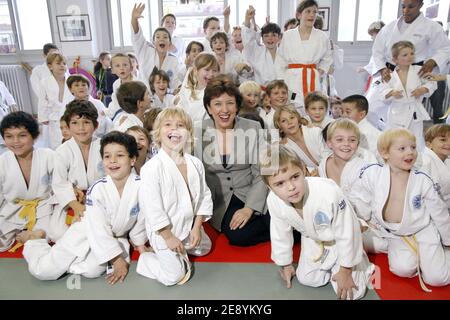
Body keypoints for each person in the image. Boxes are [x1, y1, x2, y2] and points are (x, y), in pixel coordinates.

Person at [20, 131, 147, 284]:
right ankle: (35, 241)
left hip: (116, 236)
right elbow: (98, 227)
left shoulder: (142, 186)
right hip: (86, 230)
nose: (113, 161)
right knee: (45, 271)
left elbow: (141, 220)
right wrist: (116, 259)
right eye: (107, 156)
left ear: (132, 159)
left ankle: (70, 262)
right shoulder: (98, 189)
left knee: (92, 270)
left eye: (120, 155)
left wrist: (139, 244)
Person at [261, 145, 375, 300]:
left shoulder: (328, 191)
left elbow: (348, 230)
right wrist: (285, 264)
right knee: (308, 279)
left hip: (342, 237)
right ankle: (333, 261)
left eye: (295, 177)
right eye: (279, 183)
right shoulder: (273, 200)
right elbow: (279, 232)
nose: (291, 187)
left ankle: (360, 261)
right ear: (269, 187)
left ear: (303, 169)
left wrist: (346, 269)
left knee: (352, 295)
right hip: (314, 238)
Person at [348, 128, 450, 290]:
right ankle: (424, 256)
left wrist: (448, 240)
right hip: (394, 233)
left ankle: (442, 252)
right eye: (402, 149)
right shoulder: (373, 174)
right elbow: (359, 198)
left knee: (437, 279)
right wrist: (362, 220)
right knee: (402, 269)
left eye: (413, 147)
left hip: (424, 229)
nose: (410, 152)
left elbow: (440, 214)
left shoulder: (423, 180)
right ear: (385, 153)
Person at [137, 108, 213, 286]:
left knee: (204, 248)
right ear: (158, 133)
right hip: (164, 231)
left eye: (181, 125)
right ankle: (146, 261)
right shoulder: (151, 168)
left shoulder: (195, 163)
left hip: (188, 226)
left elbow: (204, 196)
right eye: (168, 125)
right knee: (175, 277)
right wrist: (169, 237)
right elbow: (152, 208)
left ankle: (181, 248)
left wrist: (197, 227)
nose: (175, 130)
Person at [194, 75, 270, 247]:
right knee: (238, 236)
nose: (225, 110)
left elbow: (263, 172)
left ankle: (282, 227)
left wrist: (250, 208)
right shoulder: (197, 131)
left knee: (282, 217)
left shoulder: (254, 127)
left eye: (230, 103)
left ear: (237, 106)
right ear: (209, 107)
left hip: (252, 191)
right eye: (218, 104)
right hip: (221, 201)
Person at [0, 112, 62, 252]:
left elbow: (61, 183)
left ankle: (36, 234)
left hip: (42, 208)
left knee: (42, 238)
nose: (16, 141)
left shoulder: (48, 156)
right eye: (9, 136)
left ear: (34, 137)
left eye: (22, 135)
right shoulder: (2, 162)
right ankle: (22, 232)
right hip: (13, 210)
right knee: (2, 246)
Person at [52, 101, 104, 229]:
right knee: (57, 232)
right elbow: (60, 183)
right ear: (68, 126)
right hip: (73, 200)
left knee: (102, 228)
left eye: (86, 122)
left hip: (102, 198)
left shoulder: (104, 146)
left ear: (95, 125)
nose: (81, 128)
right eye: (74, 123)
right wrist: (77, 206)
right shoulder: (62, 151)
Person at [371, 0, 450, 84]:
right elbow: (377, 51)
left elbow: (445, 48)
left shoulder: (432, 27)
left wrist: (432, 62)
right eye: (403, 6)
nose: (405, 11)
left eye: (411, 7)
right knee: (377, 96)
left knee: (409, 96)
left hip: (414, 75)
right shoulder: (389, 27)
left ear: (420, 5)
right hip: (388, 74)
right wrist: (382, 69)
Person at [275, 0, 333, 109]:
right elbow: (280, 60)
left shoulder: (322, 36)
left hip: (312, 78)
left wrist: (319, 72)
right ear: (299, 15)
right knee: (292, 107)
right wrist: (281, 81)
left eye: (315, 12)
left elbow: (327, 58)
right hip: (292, 80)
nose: (312, 15)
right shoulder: (288, 36)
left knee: (313, 107)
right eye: (308, 11)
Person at [379, 41, 436, 151]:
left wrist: (423, 89)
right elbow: (382, 90)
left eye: (412, 53)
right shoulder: (389, 75)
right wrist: (391, 92)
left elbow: (432, 82)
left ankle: (417, 162)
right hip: (396, 111)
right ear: (395, 59)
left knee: (415, 138)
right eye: (405, 55)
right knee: (395, 138)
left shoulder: (420, 70)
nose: (410, 57)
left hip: (414, 111)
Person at [131, 3, 180, 90]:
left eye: (165, 37)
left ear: (169, 43)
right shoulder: (145, 51)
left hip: (165, 99)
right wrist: (134, 19)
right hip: (144, 96)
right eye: (158, 37)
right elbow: (137, 36)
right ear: (153, 42)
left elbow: (175, 83)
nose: (162, 39)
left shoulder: (173, 60)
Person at [318, 119, 376, 191]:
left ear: (357, 144)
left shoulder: (364, 170)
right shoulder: (323, 165)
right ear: (329, 143)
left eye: (352, 140)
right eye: (339, 139)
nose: (346, 144)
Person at [274, 104, 327, 175]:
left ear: (298, 120)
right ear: (280, 128)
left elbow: (329, 154)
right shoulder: (286, 149)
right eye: (284, 121)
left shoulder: (315, 131)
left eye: (292, 117)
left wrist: (320, 171)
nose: (289, 122)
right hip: (312, 179)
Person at [37, 53, 74, 150]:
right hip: (55, 119)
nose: (62, 65)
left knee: (73, 144)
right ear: (50, 66)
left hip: (71, 116)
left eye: (64, 63)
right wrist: (43, 116)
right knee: (57, 145)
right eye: (58, 63)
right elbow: (42, 101)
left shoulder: (72, 80)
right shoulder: (45, 82)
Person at [242, 6, 282, 87]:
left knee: (295, 97)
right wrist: (247, 19)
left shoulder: (285, 53)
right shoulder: (257, 51)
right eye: (266, 36)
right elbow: (248, 42)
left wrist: (293, 97)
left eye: (273, 35)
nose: (270, 38)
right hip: (263, 94)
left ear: (279, 37)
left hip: (282, 94)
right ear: (262, 39)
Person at [176, 53, 219, 125]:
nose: (211, 74)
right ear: (196, 71)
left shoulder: (215, 94)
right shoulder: (188, 90)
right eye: (207, 70)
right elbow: (180, 108)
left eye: (214, 70)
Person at [420, 124, 450, 209]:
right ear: (429, 144)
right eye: (443, 140)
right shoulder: (425, 163)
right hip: (430, 211)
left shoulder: (447, 160)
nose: (449, 143)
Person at [105, 53, 136, 121]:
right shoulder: (116, 84)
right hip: (124, 113)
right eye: (117, 66)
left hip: (138, 113)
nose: (122, 68)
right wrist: (106, 112)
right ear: (112, 70)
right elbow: (115, 102)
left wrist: (132, 116)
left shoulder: (138, 82)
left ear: (131, 68)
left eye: (125, 65)